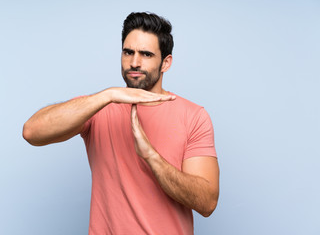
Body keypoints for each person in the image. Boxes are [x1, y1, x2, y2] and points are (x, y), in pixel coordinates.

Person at [23, 12, 219, 235]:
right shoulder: (99, 106)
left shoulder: (193, 116)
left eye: (146, 54)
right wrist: (108, 96)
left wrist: (151, 157)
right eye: (128, 52)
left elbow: (207, 202)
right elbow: (31, 132)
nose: (134, 62)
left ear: (166, 62)